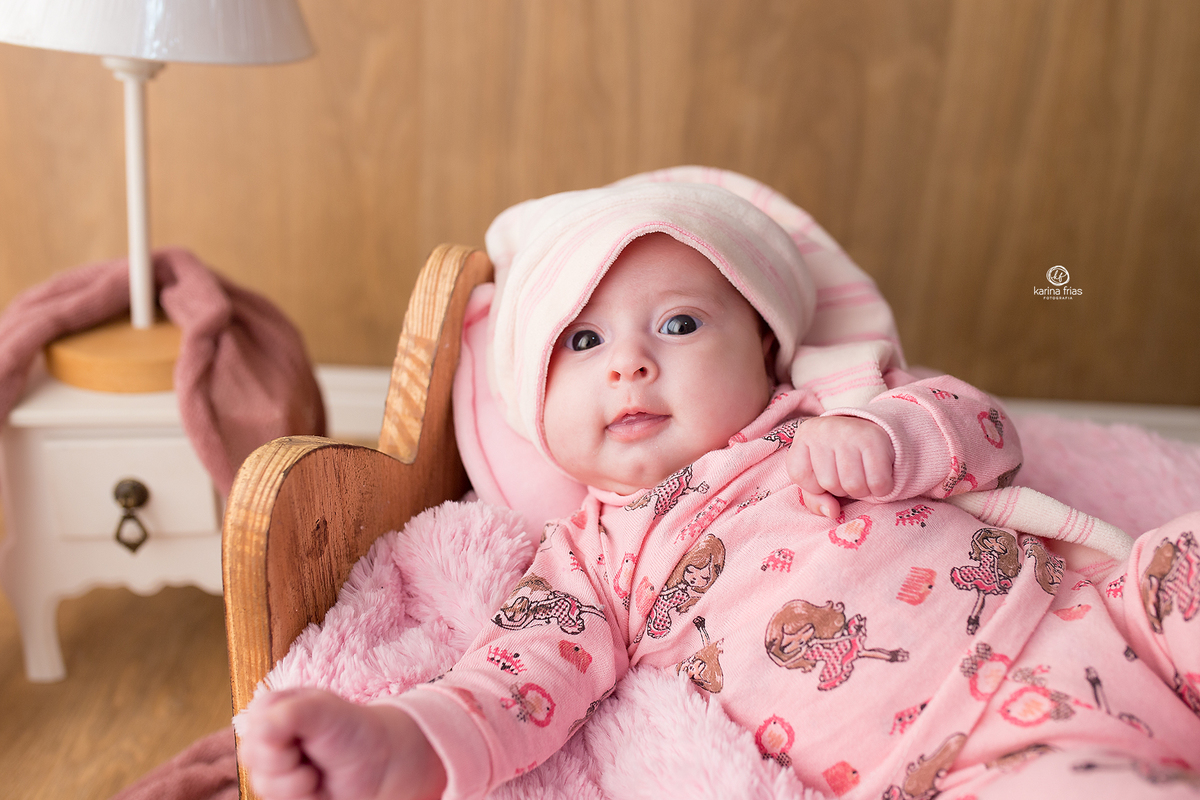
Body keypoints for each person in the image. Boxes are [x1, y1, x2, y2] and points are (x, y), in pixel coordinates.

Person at [237, 182, 1200, 800]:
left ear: (767, 351)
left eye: (682, 325)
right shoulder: (588, 564)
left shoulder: (833, 407)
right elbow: (514, 683)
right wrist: (404, 741)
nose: (631, 366)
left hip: (1107, 614)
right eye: (583, 342)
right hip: (978, 755)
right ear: (536, 410)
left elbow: (990, 433)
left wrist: (888, 436)